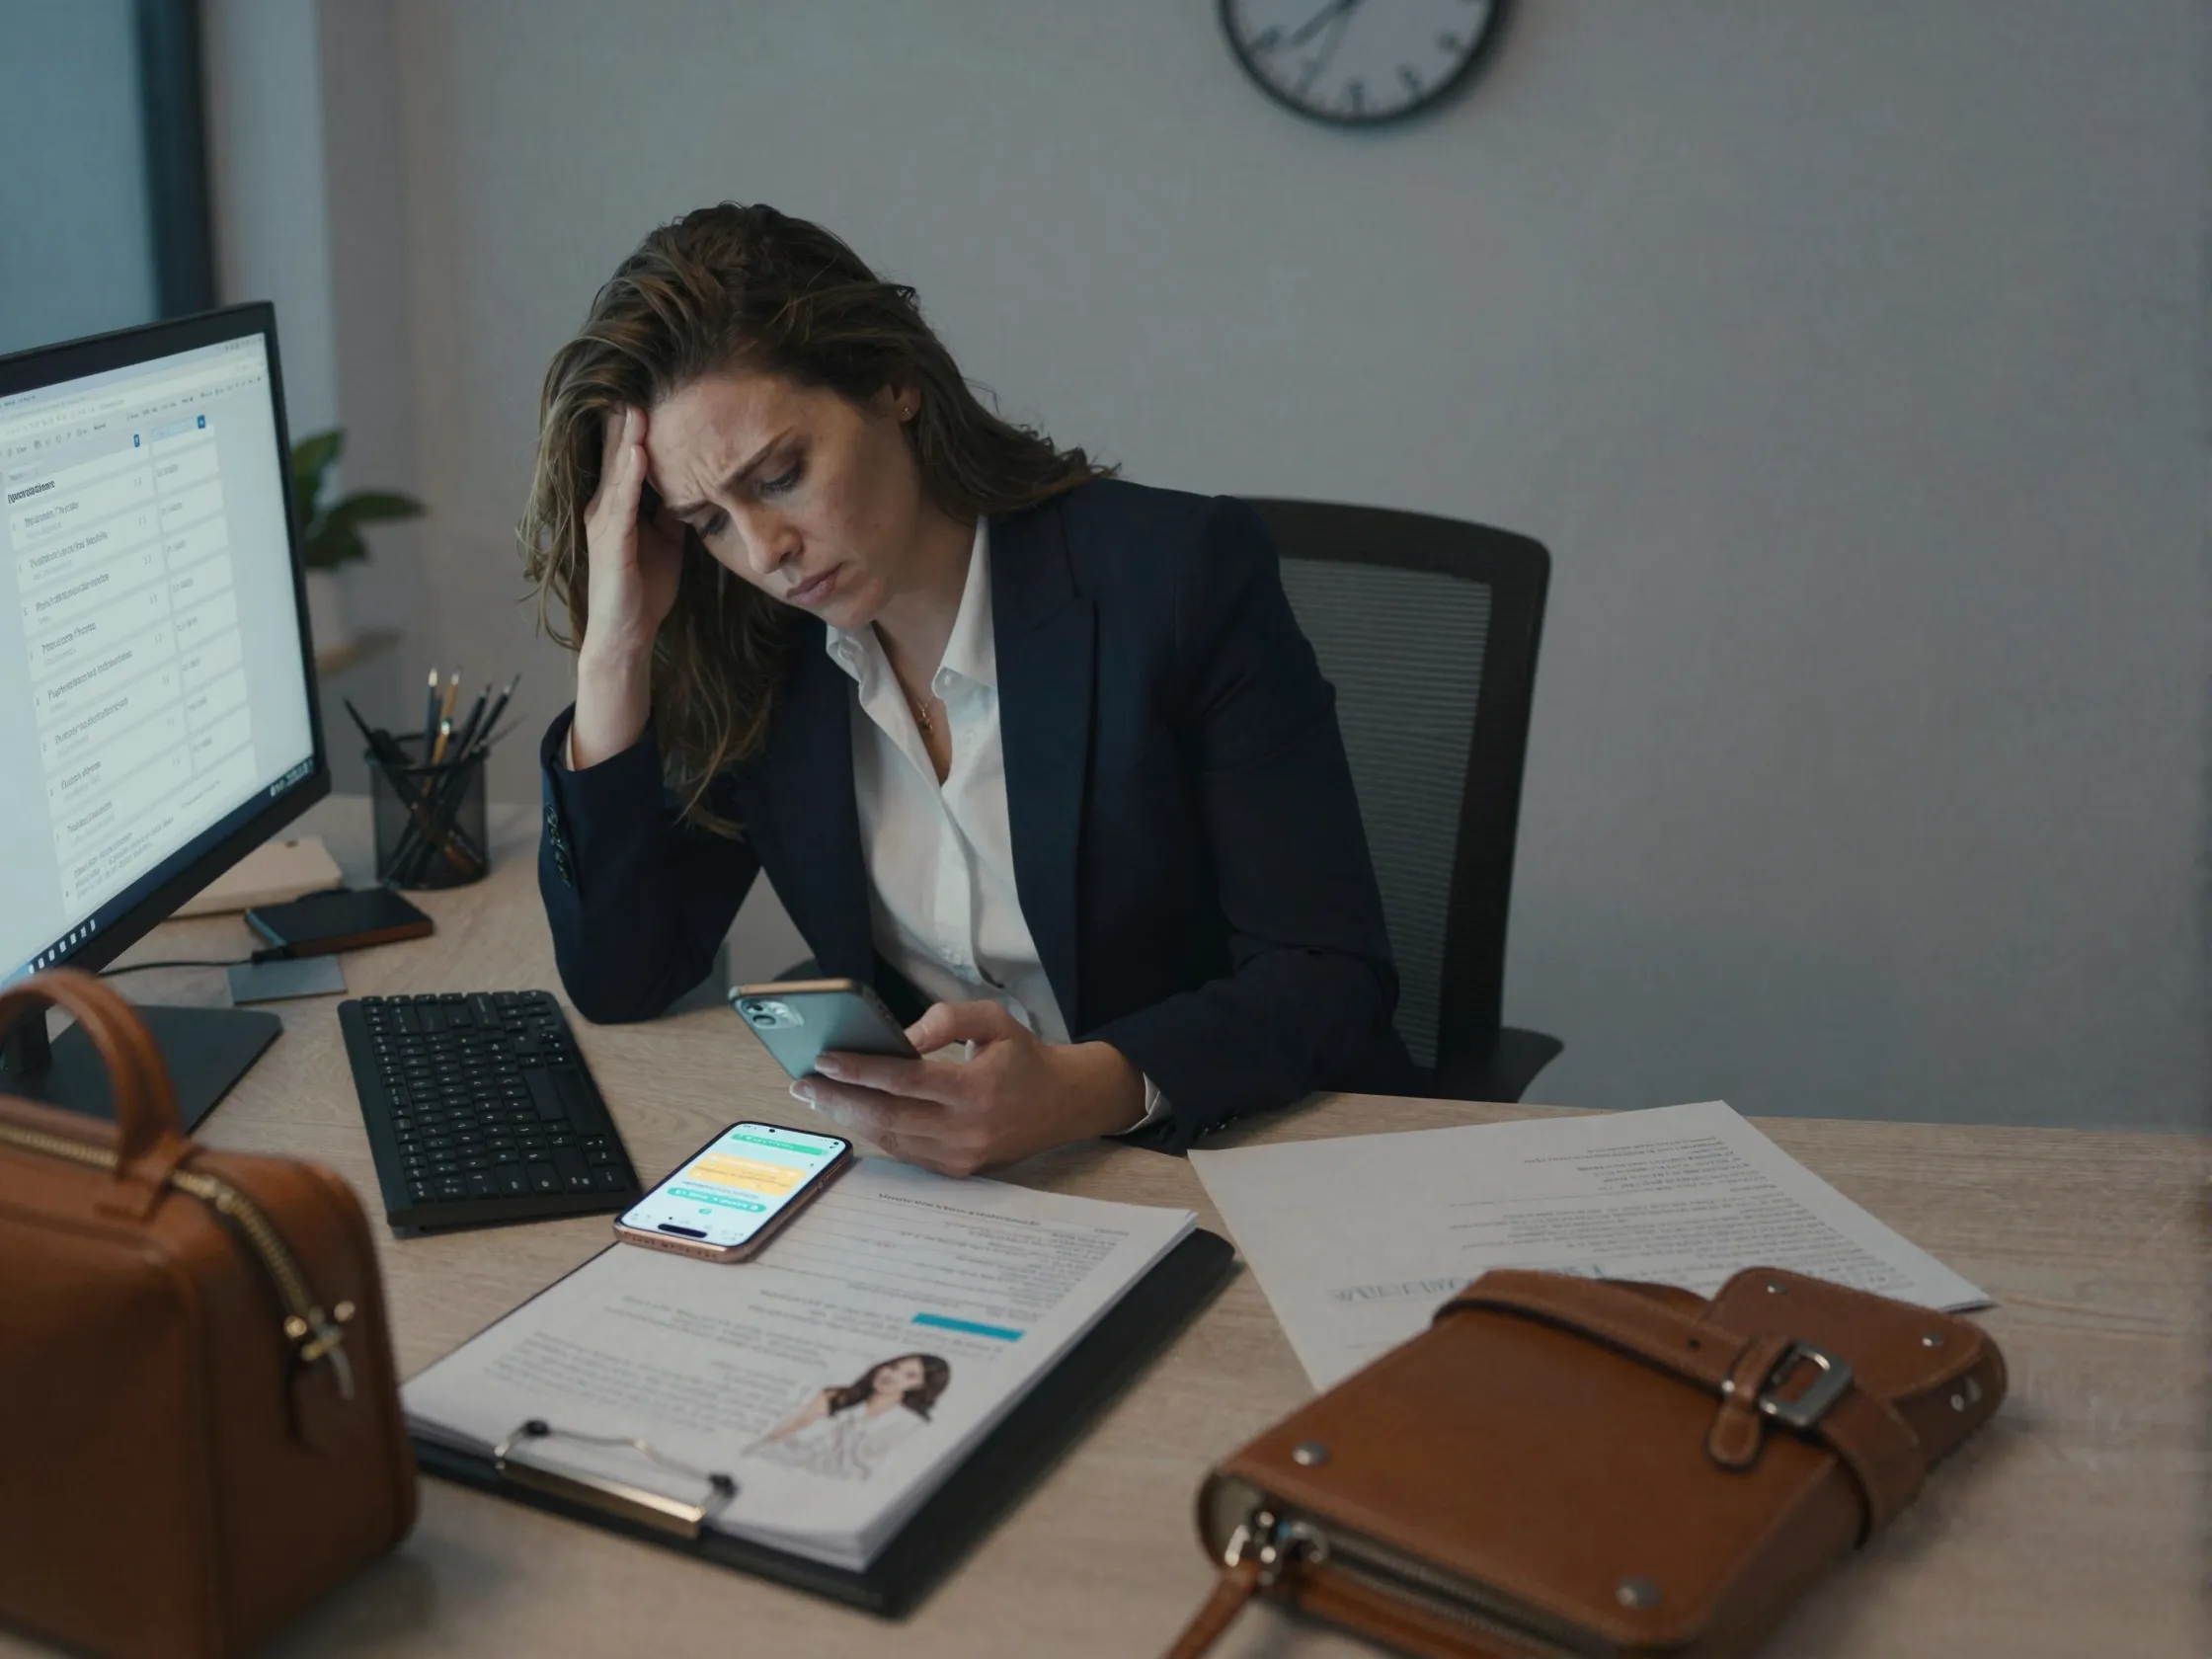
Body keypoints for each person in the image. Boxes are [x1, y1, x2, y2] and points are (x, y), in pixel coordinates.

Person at [521, 202, 1413, 1175]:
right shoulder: (764, 656)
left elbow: (1329, 978)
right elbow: (623, 975)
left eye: (779, 475)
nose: (764, 551)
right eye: (706, 524)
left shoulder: (1178, 578)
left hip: (1228, 1149)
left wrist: (1085, 1091)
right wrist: (614, 650)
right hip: (967, 1186)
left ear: (892, 383)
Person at [746, 1353, 952, 1482]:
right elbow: (792, 1431)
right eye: (894, 1367)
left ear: (920, 1386)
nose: (892, 1375)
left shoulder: (909, 1425)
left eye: (910, 1375)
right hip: (782, 1470)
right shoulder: (841, 1401)